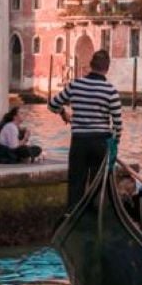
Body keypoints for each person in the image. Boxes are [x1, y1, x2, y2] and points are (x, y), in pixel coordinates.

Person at [48, 49, 123, 210]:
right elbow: (118, 125)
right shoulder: (111, 91)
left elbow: (52, 104)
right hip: (101, 142)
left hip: (79, 141)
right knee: (98, 185)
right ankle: (94, 218)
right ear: (107, 68)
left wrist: (63, 113)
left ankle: (73, 216)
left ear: (90, 65)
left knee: (76, 183)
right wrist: (114, 146)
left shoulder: (75, 86)